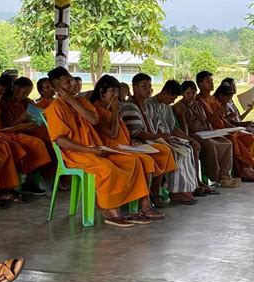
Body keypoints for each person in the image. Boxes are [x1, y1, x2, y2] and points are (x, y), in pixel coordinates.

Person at [45, 66, 155, 227]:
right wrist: (90, 150)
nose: (73, 84)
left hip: (96, 148)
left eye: (72, 80)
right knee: (108, 169)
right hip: (76, 153)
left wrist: (72, 102)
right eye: (67, 83)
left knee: (133, 161)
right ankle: (109, 211)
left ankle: (132, 209)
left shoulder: (81, 102)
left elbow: (93, 120)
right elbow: (60, 140)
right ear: (56, 89)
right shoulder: (55, 108)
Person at [89, 75, 165, 220]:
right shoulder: (97, 109)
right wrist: (116, 111)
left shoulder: (109, 107)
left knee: (148, 160)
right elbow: (112, 134)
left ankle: (144, 204)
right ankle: (144, 206)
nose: (116, 96)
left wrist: (130, 142)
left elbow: (122, 132)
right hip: (110, 149)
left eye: (118, 92)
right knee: (140, 161)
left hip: (123, 146)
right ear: (101, 92)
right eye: (112, 92)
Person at [121, 74, 196, 205]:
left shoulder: (148, 107)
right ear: (135, 88)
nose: (148, 89)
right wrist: (158, 137)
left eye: (149, 86)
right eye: (144, 86)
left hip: (152, 140)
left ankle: (183, 189)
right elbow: (136, 132)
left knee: (184, 148)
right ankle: (160, 191)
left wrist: (162, 137)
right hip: (137, 143)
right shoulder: (129, 106)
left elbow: (159, 127)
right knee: (167, 151)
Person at [0, 70, 51, 199]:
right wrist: (19, 122)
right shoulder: (0, 103)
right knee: (7, 147)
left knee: (24, 144)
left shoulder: (27, 103)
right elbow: (3, 125)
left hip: (1, 133)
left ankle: (19, 184)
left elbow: (0, 124)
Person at [148, 79, 214, 197]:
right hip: (155, 139)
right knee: (178, 152)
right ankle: (176, 191)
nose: (173, 101)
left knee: (191, 147)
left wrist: (190, 139)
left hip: (168, 138)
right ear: (164, 93)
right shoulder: (150, 104)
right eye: (172, 98)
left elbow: (173, 128)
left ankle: (192, 184)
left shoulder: (167, 106)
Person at [173, 81, 240, 189]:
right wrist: (189, 139)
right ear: (182, 94)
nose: (191, 96)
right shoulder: (179, 106)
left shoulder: (198, 104)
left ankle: (225, 176)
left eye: (193, 93)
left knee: (227, 142)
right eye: (188, 93)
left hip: (206, 132)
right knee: (212, 145)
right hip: (193, 134)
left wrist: (213, 132)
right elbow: (184, 125)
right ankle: (215, 176)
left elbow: (206, 120)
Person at [196, 71, 254, 182]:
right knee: (234, 139)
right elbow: (207, 121)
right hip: (213, 131)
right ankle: (241, 170)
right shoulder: (199, 101)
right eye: (208, 81)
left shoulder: (213, 99)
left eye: (211, 80)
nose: (211, 83)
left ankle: (250, 166)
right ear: (200, 85)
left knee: (248, 137)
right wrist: (220, 112)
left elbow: (222, 118)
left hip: (223, 128)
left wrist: (231, 125)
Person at [221, 77, 254, 171]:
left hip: (239, 124)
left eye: (235, 85)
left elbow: (239, 118)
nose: (235, 87)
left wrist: (249, 110)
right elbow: (231, 122)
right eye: (233, 85)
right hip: (234, 127)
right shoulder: (223, 102)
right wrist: (245, 124)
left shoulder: (231, 102)